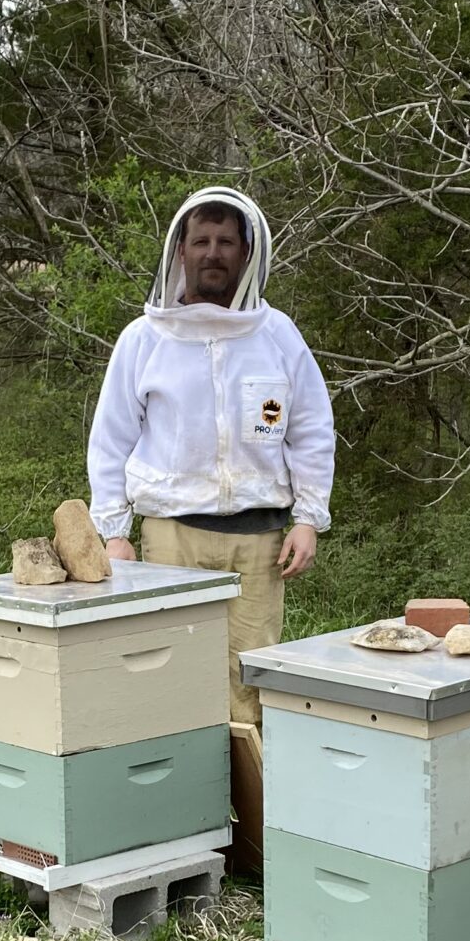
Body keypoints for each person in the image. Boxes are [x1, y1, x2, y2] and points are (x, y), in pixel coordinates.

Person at [87, 185, 335, 721]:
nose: (213, 252)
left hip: (261, 542)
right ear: (181, 251)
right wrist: (113, 532)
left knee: (249, 680)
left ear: (247, 252)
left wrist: (310, 518)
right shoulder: (143, 340)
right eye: (201, 240)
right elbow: (111, 440)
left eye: (226, 241)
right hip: (171, 540)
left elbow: (311, 428)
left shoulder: (277, 336)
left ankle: (245, 802)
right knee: (167, 675)